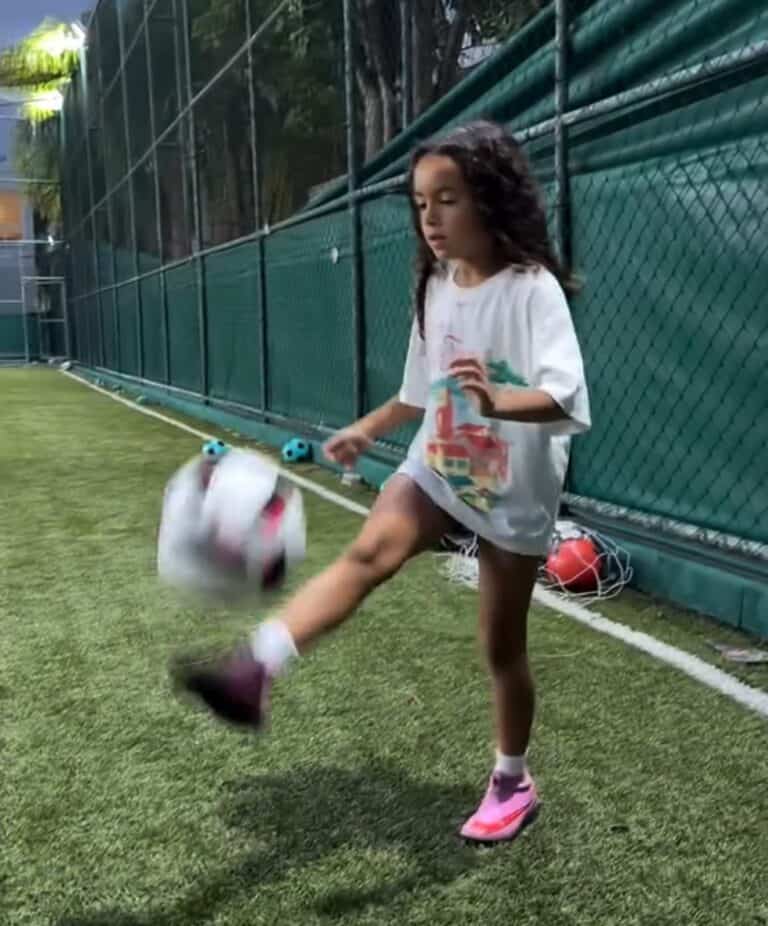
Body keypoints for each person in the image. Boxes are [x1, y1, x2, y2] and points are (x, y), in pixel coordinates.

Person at [174, 120, 591, 844]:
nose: (430, 219)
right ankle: (254, 671)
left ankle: (513, 780)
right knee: (370, 554)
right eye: (420, 203)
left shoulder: (532, 290)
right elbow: (418, 391)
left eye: (448, 199)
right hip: (439, 465)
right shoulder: (435, 284)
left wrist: (496, 401)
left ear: (489, 199)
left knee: (500, 649)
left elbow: (566, 396)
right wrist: (369, 428)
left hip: (515, 490)